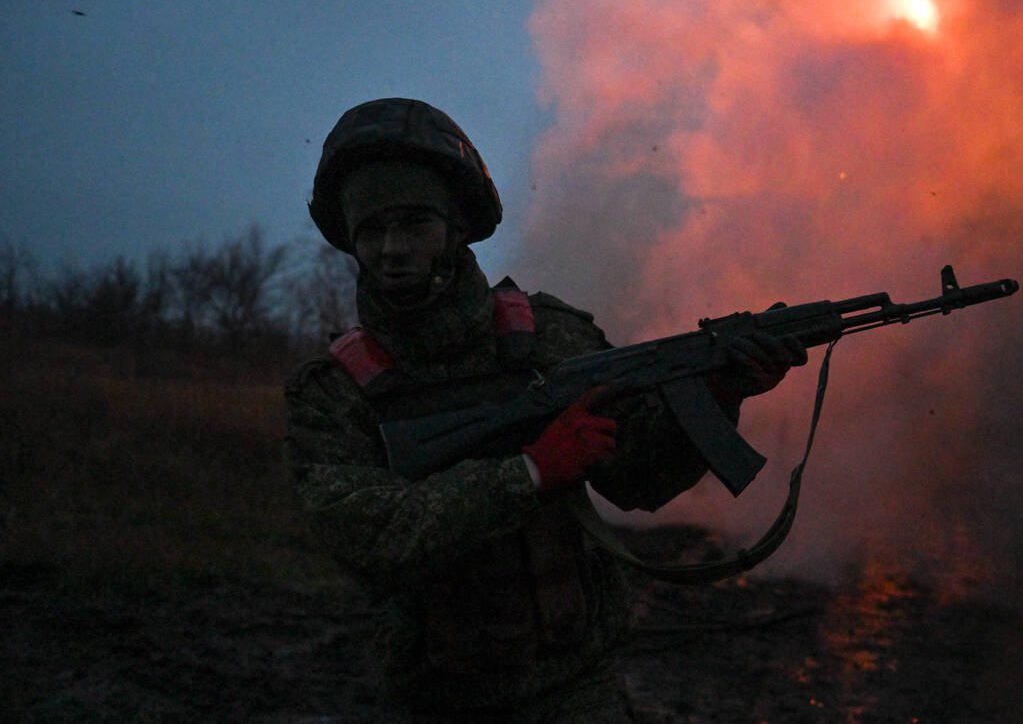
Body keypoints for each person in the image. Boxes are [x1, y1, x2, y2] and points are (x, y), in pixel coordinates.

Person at [283, 97, 804, 721]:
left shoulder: (551, 337)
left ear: (455, 227)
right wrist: (530, 472)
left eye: (414, 223)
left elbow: (640, 476)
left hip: (577, 689)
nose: (393, 248)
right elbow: (366, 536)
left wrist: (720, 394)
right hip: (436, 703)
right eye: (372, 230)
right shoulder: (336, 391)